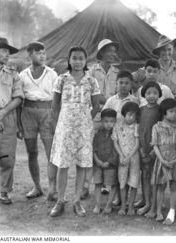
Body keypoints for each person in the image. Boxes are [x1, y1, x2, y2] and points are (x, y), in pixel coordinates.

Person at [49, 46, 100, 217]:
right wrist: (61, 124)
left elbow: (96, 106)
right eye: (74, 58)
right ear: (69, 60)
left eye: (81, 58)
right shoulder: (62, 79)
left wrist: (83, 119)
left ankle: (77, 200)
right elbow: (55, 105)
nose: (77, 61)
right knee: (63, 165)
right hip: (64, 128)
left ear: (86, 61)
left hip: (84, 129)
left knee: (81, 164)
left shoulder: (92, 81)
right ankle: (60, 200)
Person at [18, 42, 58, 200]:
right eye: (38, 53)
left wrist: (55, 120)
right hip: (27, 113)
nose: (42, 56)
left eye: (43, 53)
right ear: (30, 55)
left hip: (47, 113)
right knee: (31, 151)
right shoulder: (22, 75)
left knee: (51, 153)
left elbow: (56, 100)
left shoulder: (52, 74)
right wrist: (19, 124)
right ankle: (37, 186)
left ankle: (53, 188)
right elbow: (19, 99)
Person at [83, 39, 121, 199]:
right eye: (110, 51)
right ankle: (85, 186)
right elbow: (89, 92)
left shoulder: (117, 72)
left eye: (114, 50)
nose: (113, 53)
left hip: (112, 118)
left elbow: (120, 93)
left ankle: (108, 184)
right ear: (101, 53)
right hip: (95, 116)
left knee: (111, 148)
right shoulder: (91, 71)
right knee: (89, 149)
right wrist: (106, 101)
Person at [148, 98, 176, 224]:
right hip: (161, 161)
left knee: (174, 186)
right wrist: (161, 160)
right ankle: (159, 211)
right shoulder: (157, 127)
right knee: (160, 186)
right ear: (164, 113)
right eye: (171, 111)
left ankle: (171, 212)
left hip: (175, 161)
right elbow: (155, 145)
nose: (174, 114)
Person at [0, 37, 23, 205]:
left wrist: (3, 113)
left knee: (7, 157)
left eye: (8, 52)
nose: (7, 55)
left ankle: (4, 191)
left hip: (8, 117)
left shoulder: (13, 73)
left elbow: (18, 97)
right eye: (4, 51)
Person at [137, 81, 161, 216]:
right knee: (144, 174)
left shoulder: (160, 111)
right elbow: (140, 131)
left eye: (155, 93)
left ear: (159, 94)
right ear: (144, 95)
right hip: (143, 148)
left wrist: (153, 151)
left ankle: (153, 203)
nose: (152, 96)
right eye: (148, 93)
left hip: (155, 149)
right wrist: (141, 148)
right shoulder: (141, 110)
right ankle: (146, 201)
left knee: (154, 177)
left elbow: (162, 131)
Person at [112, 102, 140, 216]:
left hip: (134, 158)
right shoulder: (117, 126)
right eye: (130, 114)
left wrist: (129, 156)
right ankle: (123, 205)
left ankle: (131, 206)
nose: (132, 117)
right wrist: (122, 156)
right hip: (122, 159)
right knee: (122, 182)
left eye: (134, 115)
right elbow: (115, 142)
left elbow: (137, 144)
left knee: (133, 182)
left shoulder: (137, 126)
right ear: (124, 114)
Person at [92, 108, 119, 214]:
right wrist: (97, 160)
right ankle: (97, 205)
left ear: (115, 122)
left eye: (112, 121)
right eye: (106, 121)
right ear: (102, 121)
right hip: (97, 164)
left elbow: (116, 150)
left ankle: (108, 205)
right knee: (98, 184)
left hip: (111, 165)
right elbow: (93, 148)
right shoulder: (97, 134)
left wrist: (109, 162)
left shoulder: (116, 135)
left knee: (112, 184)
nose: (109, 124)